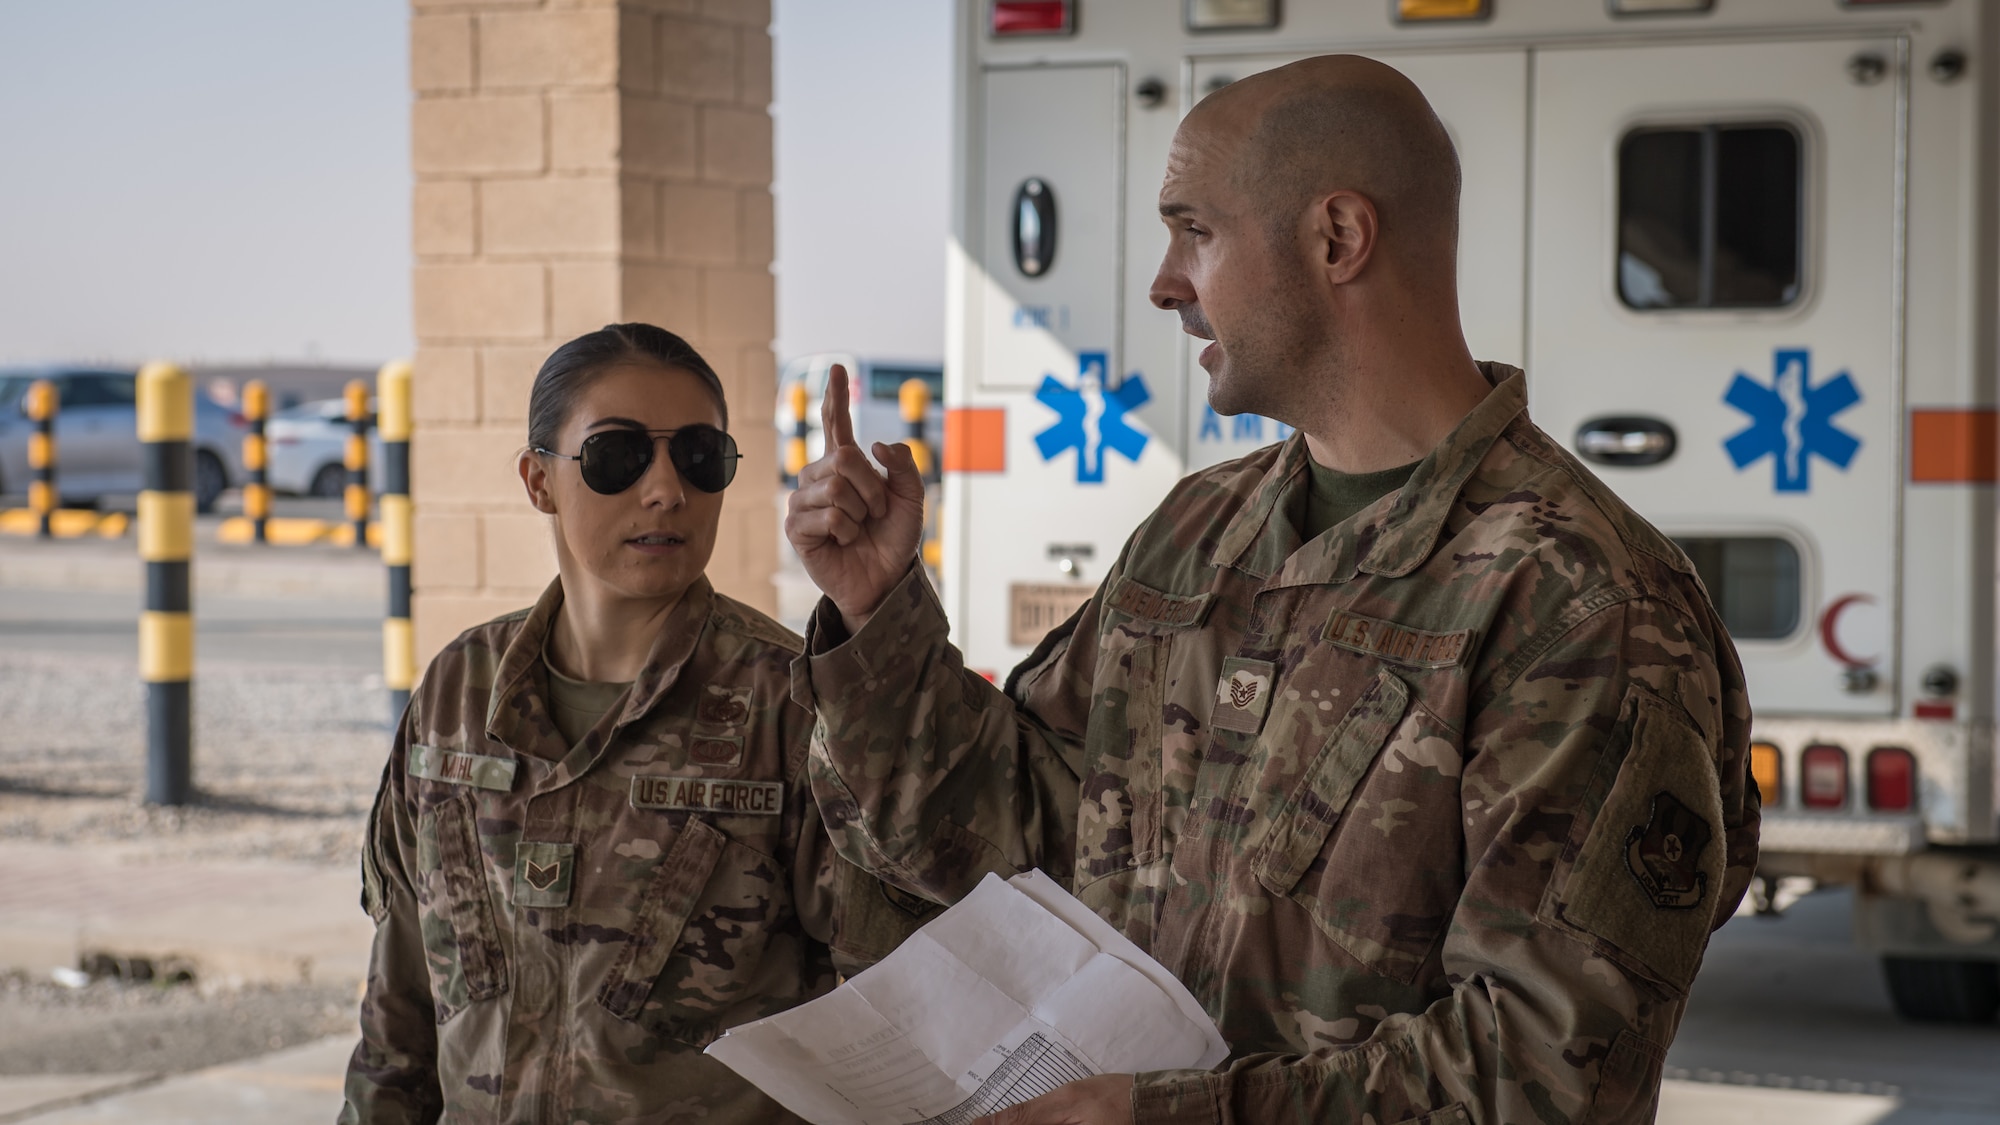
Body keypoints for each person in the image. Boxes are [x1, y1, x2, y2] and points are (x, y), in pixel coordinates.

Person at [785, 56, 1758, 1125]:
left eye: (1192, 231)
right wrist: (879, 614)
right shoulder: (1197, 535)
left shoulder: (1577, 600)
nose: (1163, 283)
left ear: (1336, 238)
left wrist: (1167, 1116)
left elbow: (1548, 1075)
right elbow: (1000, 835)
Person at [341, 323, 939, 1123]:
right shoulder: (459, 690)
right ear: (538, 480)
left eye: (698, 456)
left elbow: (892, 1006)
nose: (666, 490)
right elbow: (400, 1012)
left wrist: (881, 624)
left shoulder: (792, 701)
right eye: (617, 455)